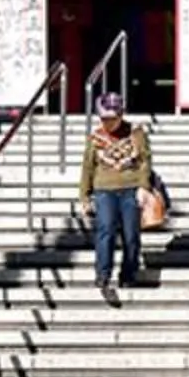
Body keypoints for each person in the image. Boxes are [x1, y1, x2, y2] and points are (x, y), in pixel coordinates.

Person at [75, 92, 152, 305]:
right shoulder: (95, 138)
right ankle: (103, 274)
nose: (108, 123)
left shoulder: (136, 133)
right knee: (105, 230)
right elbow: (88, 167)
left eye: (112, 118)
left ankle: (128, 273)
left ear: (121, 114)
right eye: (104, 119)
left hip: (130, 188)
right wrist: (84, 195)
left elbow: (145, 161)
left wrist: (144, 186)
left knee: (131, 235)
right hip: (104, 189)